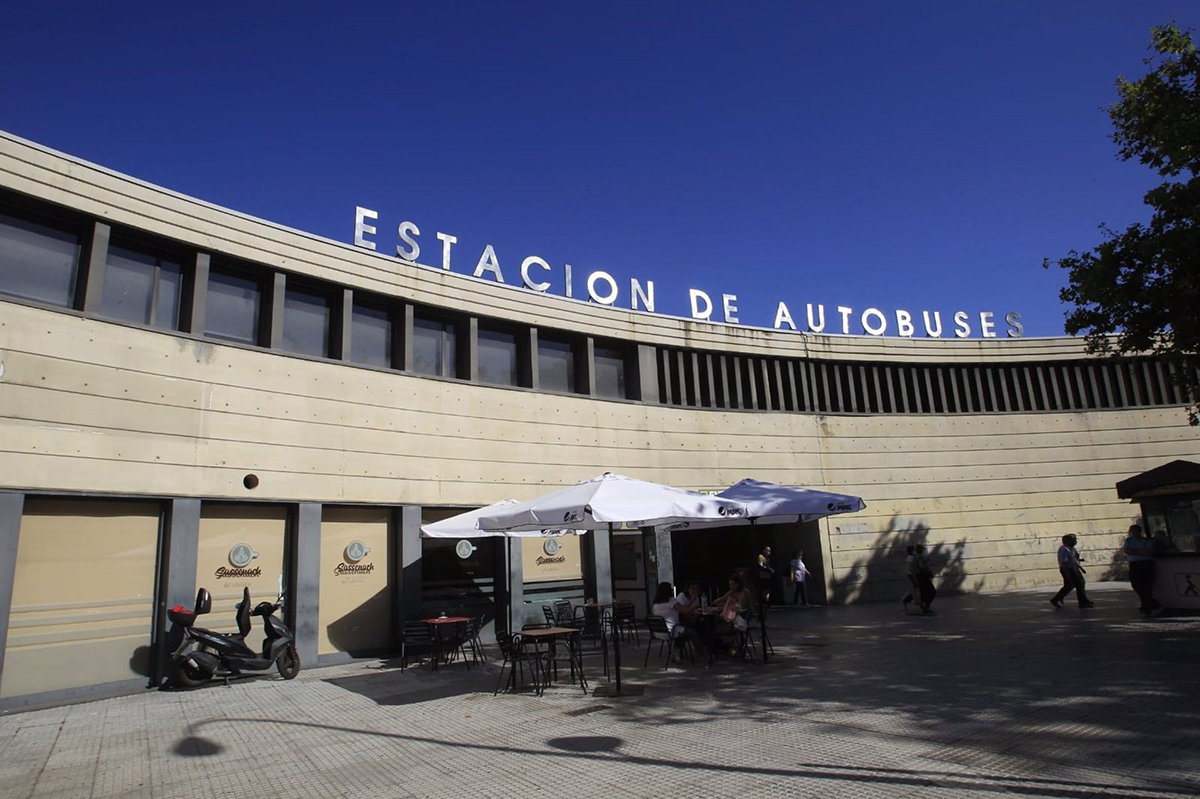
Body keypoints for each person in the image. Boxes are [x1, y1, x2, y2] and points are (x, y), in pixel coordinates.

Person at [1123, 523, 1162, 616]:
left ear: (1138, 532)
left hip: (1146, 564)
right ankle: (1153, 604)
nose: (1131, 533)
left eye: (1133, 531)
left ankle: (1147, 607)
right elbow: (1128, 551)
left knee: (1147, 586)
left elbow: (1148, 552)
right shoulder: (1128, 541)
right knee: (1136, 585)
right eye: (1130, 531)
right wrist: (1140, 551)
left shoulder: (1145, 541)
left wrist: (1135, 551)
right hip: (1134, 565)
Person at [1050, 533, 1094, 608]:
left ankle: (1057, 598)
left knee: (1071, 585)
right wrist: (1068, 572)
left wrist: (1081, 568)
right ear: (1067, 541)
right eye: (1073, 540)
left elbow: (1074, 560)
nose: (1075, 541)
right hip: (1068, 569)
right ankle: (1083, 602)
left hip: (1073, 568)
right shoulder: (1064, 549)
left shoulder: (1071, 548)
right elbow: (1064, 562)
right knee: (1079, 583)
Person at [913, 544, 937, 614]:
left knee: (923, 591)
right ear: (920, 550)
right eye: (923, 549)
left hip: (919, 576)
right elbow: (921, 566)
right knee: (932, 591)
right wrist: (929, 565)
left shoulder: (915, 557)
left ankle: (924, 606)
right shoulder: (919, 557)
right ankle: (926, 605)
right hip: (923, 576)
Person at [900, 545, 918, 611]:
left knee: (915, 589)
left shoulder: (910, 557)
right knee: (915, 589)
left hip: (911, 575)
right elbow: (911, 568)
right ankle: (907, 600)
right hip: (912, 575)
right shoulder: (911, 557)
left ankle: (908, 600)